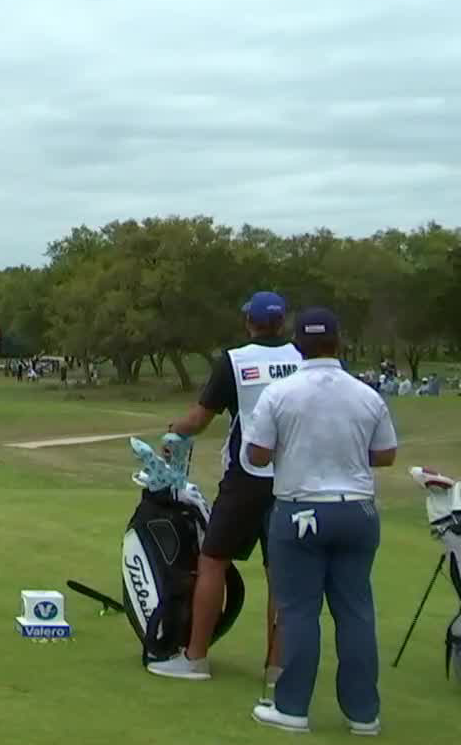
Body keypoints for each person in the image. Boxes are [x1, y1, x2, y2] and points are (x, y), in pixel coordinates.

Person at [244, 307, 397, 735]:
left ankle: (292, 709)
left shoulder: (280, 393)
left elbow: (257, 454)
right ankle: (364, 715)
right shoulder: (366, 394)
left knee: (298, 611)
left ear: (297, 345)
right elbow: (386, 454)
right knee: (356, 613)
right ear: (339, 342)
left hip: (300, 509)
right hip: (357, 510)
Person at [150, 291, 300, 682]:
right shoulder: (303, 359)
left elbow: (200, 419)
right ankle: (277, 668)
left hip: (247, 477)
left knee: (213, 561)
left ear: (248, 321)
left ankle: (195, 658)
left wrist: (172, 431)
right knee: (280, 572)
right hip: (293, 477)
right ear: (282, 322)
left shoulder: (234, 360)